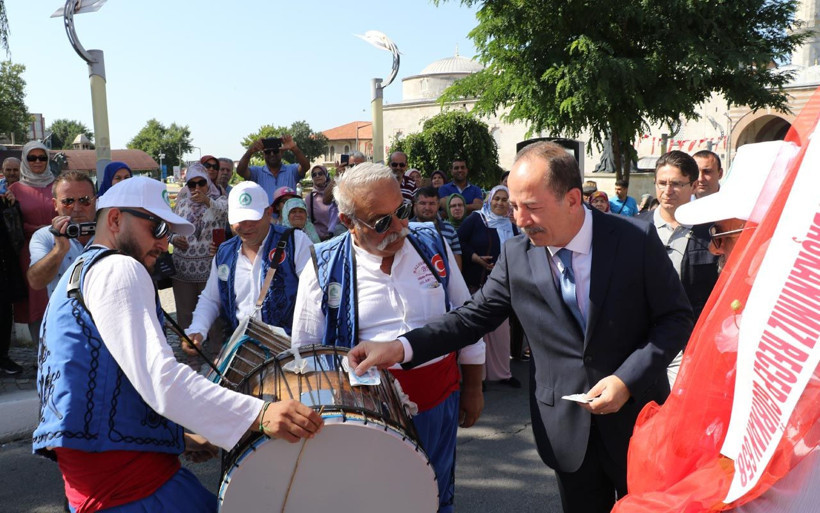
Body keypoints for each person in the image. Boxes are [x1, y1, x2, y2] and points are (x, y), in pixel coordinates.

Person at [349, 141, 693, 513]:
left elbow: (675, 319)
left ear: (573, 199)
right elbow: (470, 318)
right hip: (565, 430)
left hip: (639, 423)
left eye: (531, 207)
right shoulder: (517, 255)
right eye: (513, 206)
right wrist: (400, 348)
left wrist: (626, 380)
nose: (519, 220)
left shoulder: (635, 240)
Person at [32, 176, 322, 512]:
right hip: (133, 490)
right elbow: (160, 379)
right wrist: (261, 414)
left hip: (99, 486)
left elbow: (109, 384)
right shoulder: (120, 267)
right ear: (114, 219)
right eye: (156, 228)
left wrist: (174, 438)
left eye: (167, 232)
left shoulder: (77, 273)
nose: (164, 243)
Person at [291, 162, 484, 513]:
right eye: (382, 222)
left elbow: (466, 317)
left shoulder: (432, 242)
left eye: (402, 212)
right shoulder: (323, 264)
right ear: (348, 222)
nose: (399, 227)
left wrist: (473, 386)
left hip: (440, 399)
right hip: (369, 414)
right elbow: (306, 352)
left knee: (437, 490)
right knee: (378, 499)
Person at [184, 182, 312, 355]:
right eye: (239, 219)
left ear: (268, 214)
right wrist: (198, 328)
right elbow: (211, 298)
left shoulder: (297, 241)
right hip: (242, 351)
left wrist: (303, 349)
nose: (245, 225)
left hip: (289, 351)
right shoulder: (225, 252)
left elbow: (314, 297)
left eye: (253, 218)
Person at [457, 185, 520, 387]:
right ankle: (479, 377)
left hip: (502, 284)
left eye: (504, 200)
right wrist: (475, 258)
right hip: (478, 281)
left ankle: (502, 374)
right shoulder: (477, 219)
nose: (500, 203)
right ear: (489, 200)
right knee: (478, 330)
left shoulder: (512, 224)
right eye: (497, 199)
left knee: (500, 332)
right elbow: (459, 241)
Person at [169, 163, 228, 354]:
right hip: (183, 269)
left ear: (208, 182)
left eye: (201, 183)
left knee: (213, 317)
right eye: (191, 184)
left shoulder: (219, 200)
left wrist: (207, 201)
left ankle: (217, 357)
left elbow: (225, 213)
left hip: (209, 268)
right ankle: (191, 357)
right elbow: (168, 228)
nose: (196, 188)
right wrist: (173, 239)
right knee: (185, 315)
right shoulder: (181, 203)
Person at [9, 141, 57, 344]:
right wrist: (37, 230)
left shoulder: (58, 185)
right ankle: (41, 352)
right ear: (25, 160)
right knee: (36, 300)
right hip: (29, 252)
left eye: (42, 157)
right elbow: (12, 222)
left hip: (60, 248)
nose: (37, 162)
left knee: (59, 295)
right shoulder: (15, 190)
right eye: (32, 157)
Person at [27, 171, 97, 299]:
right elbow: (36, 282)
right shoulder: (44, 236)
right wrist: (59, 250)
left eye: (85, 200)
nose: (76, 208)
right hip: (65, 315)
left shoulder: (112, 232)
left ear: (95, 201)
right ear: (55, 204)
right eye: (68, 202)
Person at [236, 135, 310, 204]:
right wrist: (250, 151)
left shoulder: (291, 170)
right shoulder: (257, 172)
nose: (272, 154)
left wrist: (294, 148)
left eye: (275, 151)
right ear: (263, 154)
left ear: (281, 152)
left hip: (287, 216)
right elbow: (240, 171)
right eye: (267, 152)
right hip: (265, 217)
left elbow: (306, 166)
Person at [0, 176, 25, 375]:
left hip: (4, 264)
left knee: (4, 312)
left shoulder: (5, 202)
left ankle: (3, 357)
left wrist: (10, 206)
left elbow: (16, 236)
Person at [412, 186, 463, 270]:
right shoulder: (406, 230)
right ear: (415, 205)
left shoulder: (449, 229)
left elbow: (456, 260)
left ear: (438, 205)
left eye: (432, 204)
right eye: (423, 203)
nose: (427, 208)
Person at [305, 165, 338, 241]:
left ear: (326, 175)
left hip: (338, 236)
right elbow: (308, 221)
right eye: (314, 174)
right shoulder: (310, 198)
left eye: (320, 173)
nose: (317, 176)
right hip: (319, 239)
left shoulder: (336, 193)